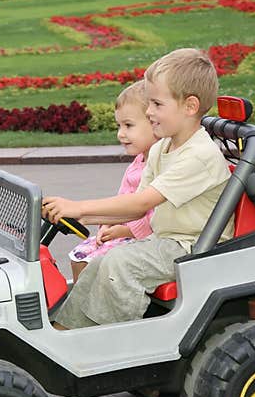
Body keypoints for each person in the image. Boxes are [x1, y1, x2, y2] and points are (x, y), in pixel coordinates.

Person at [42, 47, 234, 335]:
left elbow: (143, 202)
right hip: (168, 239)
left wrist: (79, 208)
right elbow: (132, 206)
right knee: (101, 263)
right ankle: (67, 332)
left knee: (120, 265)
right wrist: (79, 216)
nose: (148, 111)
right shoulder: (162, 148)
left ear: (190, 106)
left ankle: (118, 340)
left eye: (157, 104)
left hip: (194, 246)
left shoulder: (199, 155)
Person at [68, 80, 159, 283]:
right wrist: (107, 223)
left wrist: (125, 230)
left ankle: (96, 307)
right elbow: (123, 199)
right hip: (125, 230)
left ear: (155, 123)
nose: (121, 134)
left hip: (146, 237)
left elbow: (155, 215)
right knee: (79, 256)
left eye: (128, 126)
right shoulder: (138, 163)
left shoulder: (162, 165)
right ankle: (81, 304)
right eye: (119, 126)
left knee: (94, 263)